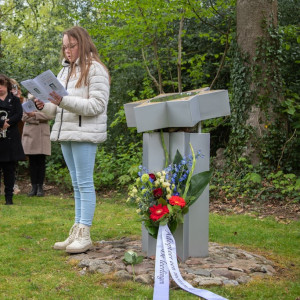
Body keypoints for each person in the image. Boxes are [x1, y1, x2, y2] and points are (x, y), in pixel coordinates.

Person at [35, 26, 110, 254]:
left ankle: (84, 234)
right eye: (65, 47)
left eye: (72, 46)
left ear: (83, 43)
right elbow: (53, 111)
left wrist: (61, 101)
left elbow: (97, 106)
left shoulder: (95, 69)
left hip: (85, 134)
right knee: (76, 184)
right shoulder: (63, 72)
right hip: (66, 132)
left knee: (85, 183)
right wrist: (42, 105)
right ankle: (76, 230)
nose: (67, 51)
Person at [0, 74, 26, 205]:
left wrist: (8, 123)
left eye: (2, 85)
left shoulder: (14, 100)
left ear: (7, 86)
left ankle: (9, 198)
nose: (0, 88)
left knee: (9, 170)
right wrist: (1, 124)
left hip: (11, 139)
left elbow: (19, 114)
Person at [22, 94, 52, 197]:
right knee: (32, 163)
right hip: (30, 136)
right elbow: (24, 117)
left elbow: (49, 116)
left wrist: (34, 115)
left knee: (41, 162)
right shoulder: (27, 101)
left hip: (42, 136)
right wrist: (38, 117)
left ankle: (40, 187)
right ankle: (33, 186)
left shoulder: (46, 102)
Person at [10, 79, 25, 195]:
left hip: (19, 132)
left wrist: (19, 99)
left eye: (15, 87)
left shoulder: (21, 99)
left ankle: (13, 184)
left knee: (13, 159)